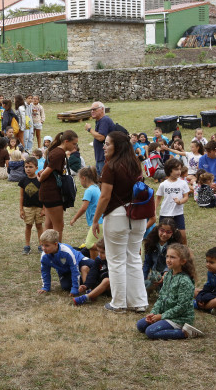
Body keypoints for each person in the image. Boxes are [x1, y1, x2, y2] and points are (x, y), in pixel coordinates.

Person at [92, 131, 148, 313]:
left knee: (116, 261)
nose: (104, 146)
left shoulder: (111, 167)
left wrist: (95, 220)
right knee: (133, 258)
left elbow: (105, 196)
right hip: (138, 215)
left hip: (117, 216)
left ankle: (118, 303)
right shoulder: (135, 165)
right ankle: (139, 302)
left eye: (107, 144)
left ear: (118, 146)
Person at [136, 244, 203, 340]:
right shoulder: (168, 275)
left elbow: (182, 307)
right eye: (167, 256)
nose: (168, 260)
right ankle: (162, 322)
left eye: (172, 257)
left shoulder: (184, 281)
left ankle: (186, 333)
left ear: (183, 261)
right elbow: (161, 297)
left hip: (179, 318)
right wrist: (154, 313)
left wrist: (162, 316)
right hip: (165, 314)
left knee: (150, 332)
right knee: (141, 325)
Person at [38, 130, 78, 240]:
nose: (75, 146)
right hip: (52, 193)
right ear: (66, 141)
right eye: (74, 143)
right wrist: (40, 177)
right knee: (58, 226)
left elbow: (47, 169)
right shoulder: (59, 153)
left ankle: (46, 249)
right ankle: (56, 251)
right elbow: (45, 174)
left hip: (48, 192)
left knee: (49, 224)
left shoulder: (55, 151)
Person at [37, 229, 94, 297]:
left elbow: (74, 269)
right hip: (65, 270)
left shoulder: (66, 252)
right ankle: (85, 278)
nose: (43, 248)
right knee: (66, 287)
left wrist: (75, 288)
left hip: (78, 260)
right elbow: (45, 272)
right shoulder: (44, 256)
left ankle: (86, 271)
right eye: (42, 245)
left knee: (94, 264)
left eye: (47, 245)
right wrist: (46, 287)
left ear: (55, 244)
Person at [69, 166, 103, 259]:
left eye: (80, 179)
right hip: (100, 221)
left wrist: (74, 218)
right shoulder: (96, 187)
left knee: (89, 244)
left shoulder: (89, 190)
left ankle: (109, 250)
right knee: (94, 244)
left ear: (83, 178)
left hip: (98, 222)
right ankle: (94, 265)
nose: (80, 182)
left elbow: (84, 208)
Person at [142, 218, 183, 291]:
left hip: (170, 274)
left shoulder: (175, 245)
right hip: (155, 275)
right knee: (142, 285)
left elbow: (176, 265)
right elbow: (147, 263)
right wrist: (143, 278)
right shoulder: (151, 242)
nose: (164, 234)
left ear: (172, 233)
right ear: (158, 229)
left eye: (168, 232)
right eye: (162, 230)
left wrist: (166, 273)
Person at [155, 158, 189, 244]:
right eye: (176, 169)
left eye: (180, 169)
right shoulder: (163, 184)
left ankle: (185, 253)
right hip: (165, 213)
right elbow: (158, 198)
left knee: (182, 236)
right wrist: (154, 209)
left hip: (178, 213)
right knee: (163, 236)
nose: (179, 172)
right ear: (169, 170)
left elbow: (186, 197)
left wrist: (180, 202)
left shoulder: (183, 183)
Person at [72, 239, 111, 305]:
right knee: (84, 268)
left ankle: (87, 297)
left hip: (109, 287)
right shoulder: (98, 259)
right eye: (98, 251)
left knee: (107, 280)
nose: (100, 254)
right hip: (98, 282)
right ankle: (88, 290)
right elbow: (93, 273)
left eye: (103, 253)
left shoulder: (114, 262)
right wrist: (86, 285)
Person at [19, 157, 43, 255]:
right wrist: (21, 209)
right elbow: (21, 196)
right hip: (27, 207)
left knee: (39, 226)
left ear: (36, 168)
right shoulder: (23, 180)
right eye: (26, 167)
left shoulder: (40, 180)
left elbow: (44, 195)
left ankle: (41, 245)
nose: (28, 169)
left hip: (39, 207)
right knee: (28, 226)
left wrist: (44, 209)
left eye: (31, 167)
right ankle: (27, 246)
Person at [83, 102, 114, 175]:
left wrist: (89, 129)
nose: (92, 111)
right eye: (91, 110)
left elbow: (101, 137)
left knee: (103, 180)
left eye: (94, 109)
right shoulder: (100, 121)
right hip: (100, 158)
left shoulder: (104, 120)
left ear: (102, 109)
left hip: (104, 159)